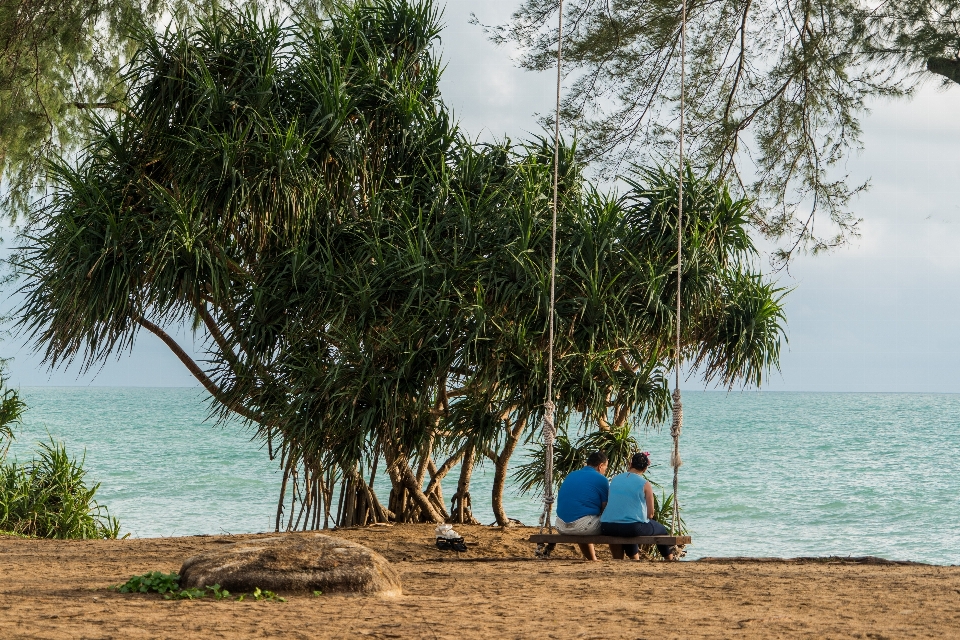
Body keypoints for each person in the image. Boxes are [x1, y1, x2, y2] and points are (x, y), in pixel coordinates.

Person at [600, 451, 675, 561]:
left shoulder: (615, 479)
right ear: (645, 469)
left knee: (630, 527)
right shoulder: (645, 484)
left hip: (607, 527)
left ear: (630, 464)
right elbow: (650, 514)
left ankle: (635, 559)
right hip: (631, 528)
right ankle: (670, 560)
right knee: (661, 530)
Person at [555, 451, 609, 561]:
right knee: (613, 523)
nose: (605, 471)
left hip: (560, 525)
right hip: (582, 527)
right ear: (600, 466)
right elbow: (605, 509)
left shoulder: (571, 475)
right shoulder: (601, 479)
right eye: (605, 468)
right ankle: (621, 558)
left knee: (583, 517)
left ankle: (592, 559)